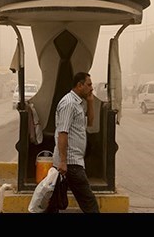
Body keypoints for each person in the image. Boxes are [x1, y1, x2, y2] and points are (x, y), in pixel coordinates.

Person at [48, 71, 99, 213]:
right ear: (79, 85)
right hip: (70, 162)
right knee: (89, 201)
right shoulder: (69, 103)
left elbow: (90, 122)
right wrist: (63, 161)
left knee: (53, 201)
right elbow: (62, 133)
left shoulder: (78, 103)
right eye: (89, 85)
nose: (91, 88)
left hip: (72, 161)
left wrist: (90, 102)